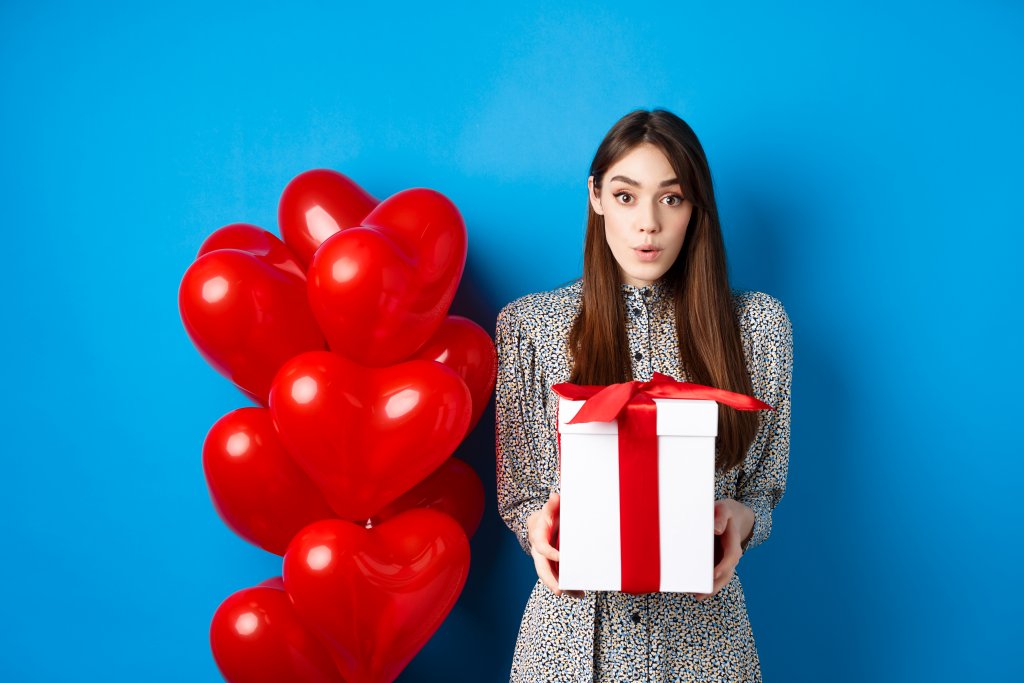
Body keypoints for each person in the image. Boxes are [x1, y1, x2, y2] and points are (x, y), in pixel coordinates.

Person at [494, 108, 793, 682]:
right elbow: (523, 491)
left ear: (695, 209)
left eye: (671, 199)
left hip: (705, 648)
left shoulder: (757, 328)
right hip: (572, 650)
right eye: (627, 196)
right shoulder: (529, 328)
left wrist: (741, 518)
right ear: (597, 197)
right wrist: (537, 525)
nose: (647, 224)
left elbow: (762, 486)